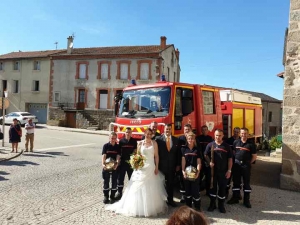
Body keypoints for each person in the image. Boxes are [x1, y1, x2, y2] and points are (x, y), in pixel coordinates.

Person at [106, 128, 167, 217]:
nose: (148, 135)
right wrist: (136, 164)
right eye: (147, 134)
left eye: (150, 134)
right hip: (141, 168)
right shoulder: (140, 143)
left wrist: (157, 167)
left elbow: (156, 156)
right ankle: (136, 207)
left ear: (152, 135)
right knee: (136, 186)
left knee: (151, 186)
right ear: (144, 134)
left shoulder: (154, 143)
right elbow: (137, 156)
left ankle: (150, 207)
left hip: (151, 167)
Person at [227, 127, 257, 208]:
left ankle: (246, 200)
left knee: (246, 182)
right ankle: (235, 198)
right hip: (236, 165)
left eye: (245, 133)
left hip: (245, 166)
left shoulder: (251, 144)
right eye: (242, 133)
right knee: (236, 182)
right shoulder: (236, 142)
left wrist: (248, 163)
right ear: (240, 134)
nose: (243, 135)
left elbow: (254, 156)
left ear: (247, 134)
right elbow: (234, 152)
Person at [204, 129, 232, 213]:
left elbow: (230, 159)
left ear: (222, 136)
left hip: (223, 172)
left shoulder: (226, 146)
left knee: (222, 189)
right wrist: (209, 162)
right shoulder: (210, 145)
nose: (218, 137)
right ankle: (212, 204)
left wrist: (229, 170)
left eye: (219, 135)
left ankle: (221, 205)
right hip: (213, 172)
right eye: (216, 135)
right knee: (212, 188)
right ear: (214, 135)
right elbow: (205, 155)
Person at [156, 123, 180, 207]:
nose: (168, 130)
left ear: (171, 130)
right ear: (164, 129)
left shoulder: (176, 140)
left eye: (169, 129)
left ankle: (170, 200)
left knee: (170, 184)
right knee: (161, 184)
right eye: (166, 129)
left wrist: (178, 164)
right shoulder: (158, 139)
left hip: (172, 166)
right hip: (161, 166)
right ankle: (161, 201)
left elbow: (178, 154)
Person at [115, 127, 137, 200]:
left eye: (129, 132)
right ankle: (119, 192)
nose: (128, 133)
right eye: (127, 132)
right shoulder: (121, 141)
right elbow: (118, 153)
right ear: (125, 133)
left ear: (131, 133)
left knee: (132, 178)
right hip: (123, 163)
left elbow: (135, 151)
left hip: (131, 163)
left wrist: (134, 161)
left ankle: (132, 192)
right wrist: (118, 161)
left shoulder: (134, 141)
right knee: (120, 178)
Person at [182, 132, 202, 210]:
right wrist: (183, 171)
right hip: (186, 174)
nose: (190, 140)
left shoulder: (197, 149)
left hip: (195, 174)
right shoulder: (183, 149)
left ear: (194, 139)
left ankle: (197, 207)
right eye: (189, 138)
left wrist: (198, 172)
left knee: (195, 191)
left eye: (192, 138)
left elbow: (199, 162)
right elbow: (183, 161)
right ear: (187, 139)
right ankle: (188, 207)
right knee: (187, 191)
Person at [102, 132, 121, 204]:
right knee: (106, 181)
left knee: (114, 182)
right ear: (109, 138)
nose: (113, 140)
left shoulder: (118, 147)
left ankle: (112, 196)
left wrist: (116, 164)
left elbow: (118, 156)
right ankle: (106, 196)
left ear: (116, 139)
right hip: (106, 166)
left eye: (114, 138)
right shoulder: (106, 146)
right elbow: (104, 156)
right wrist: (103, 165)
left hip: (115, 167)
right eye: (111, 138)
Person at [196, 125, 213, 195]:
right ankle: (198, 190)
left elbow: (212, 150)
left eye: (206, 129)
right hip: (200, 160)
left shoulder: (210, 138)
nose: (204, 131)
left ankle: (208, 191)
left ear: (208, 130)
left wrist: (210, 160)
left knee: (208, 177)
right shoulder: (198, 138)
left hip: (207, 160)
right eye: (203, 130)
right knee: (199, 176)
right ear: (201, 131)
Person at [178, 124, 193, 203]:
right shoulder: (180, 139)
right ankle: (183, 195)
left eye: (188, 129)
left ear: (191, 129)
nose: (186, 131)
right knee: (182, 179)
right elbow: (177, 151)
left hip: (192, 162)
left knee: (192, 179)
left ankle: (191, 195)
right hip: (182, 162)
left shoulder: (194, 139)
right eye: (185, 130)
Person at [225, 127, 241, 198]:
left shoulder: (242, 141)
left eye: (237, 132)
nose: (236, 133)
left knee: (237, 180)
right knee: (227, 179)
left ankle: (237, 194)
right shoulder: (228, 141)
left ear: (239, 133)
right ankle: (226, 193)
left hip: (238, 164)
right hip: (229, 162)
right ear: (232, 132)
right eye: (235, 132)